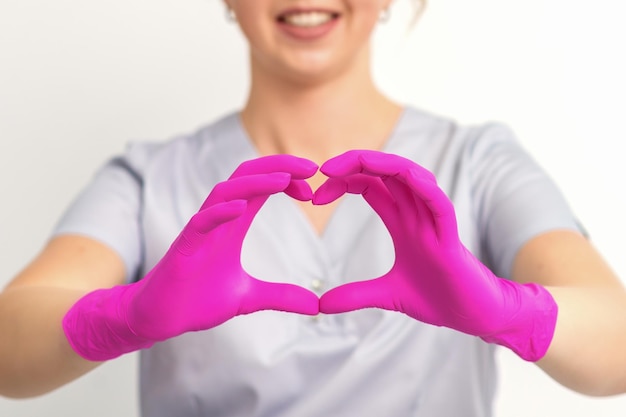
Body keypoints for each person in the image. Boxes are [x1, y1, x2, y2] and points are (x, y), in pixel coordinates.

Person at [1, 1, 626, 416]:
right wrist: (119, 317)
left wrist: (513, 313)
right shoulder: (147, 179)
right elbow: (9, 347)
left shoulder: (480, 162)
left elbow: (615, 346)